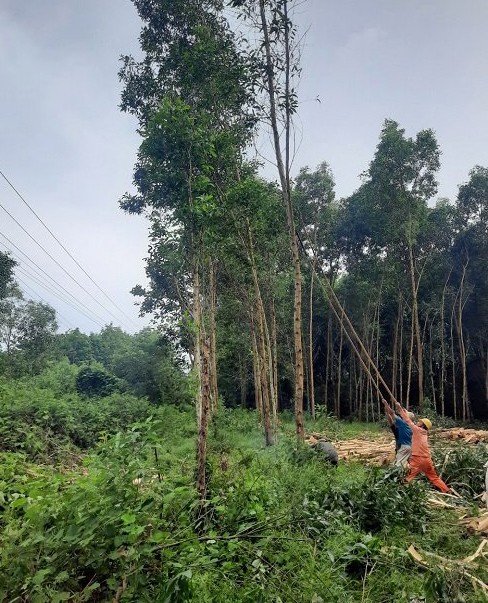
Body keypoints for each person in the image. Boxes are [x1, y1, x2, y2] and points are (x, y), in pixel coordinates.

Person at [394, 401, 449, 493]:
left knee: (408, 476)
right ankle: (446, 490)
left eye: (420, 422)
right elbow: (409, 419)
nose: (418, 422)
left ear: (423, 425)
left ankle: (401, 492)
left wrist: (399, 409)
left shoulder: (417, 430)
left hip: (417, 460)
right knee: (434, 477)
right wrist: (404, 411)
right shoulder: (424, 433)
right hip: (427, 460)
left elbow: (408, 421)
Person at [382, 398, 413, 469]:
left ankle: (398, 474)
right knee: (402, 461)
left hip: (403, 447)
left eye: (405, 414)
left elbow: (392, 413)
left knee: (398, 465)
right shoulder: (411, 426)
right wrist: (387, 412)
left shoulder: (402, 424)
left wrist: (386, 404)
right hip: (408, 447)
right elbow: (391, 422)